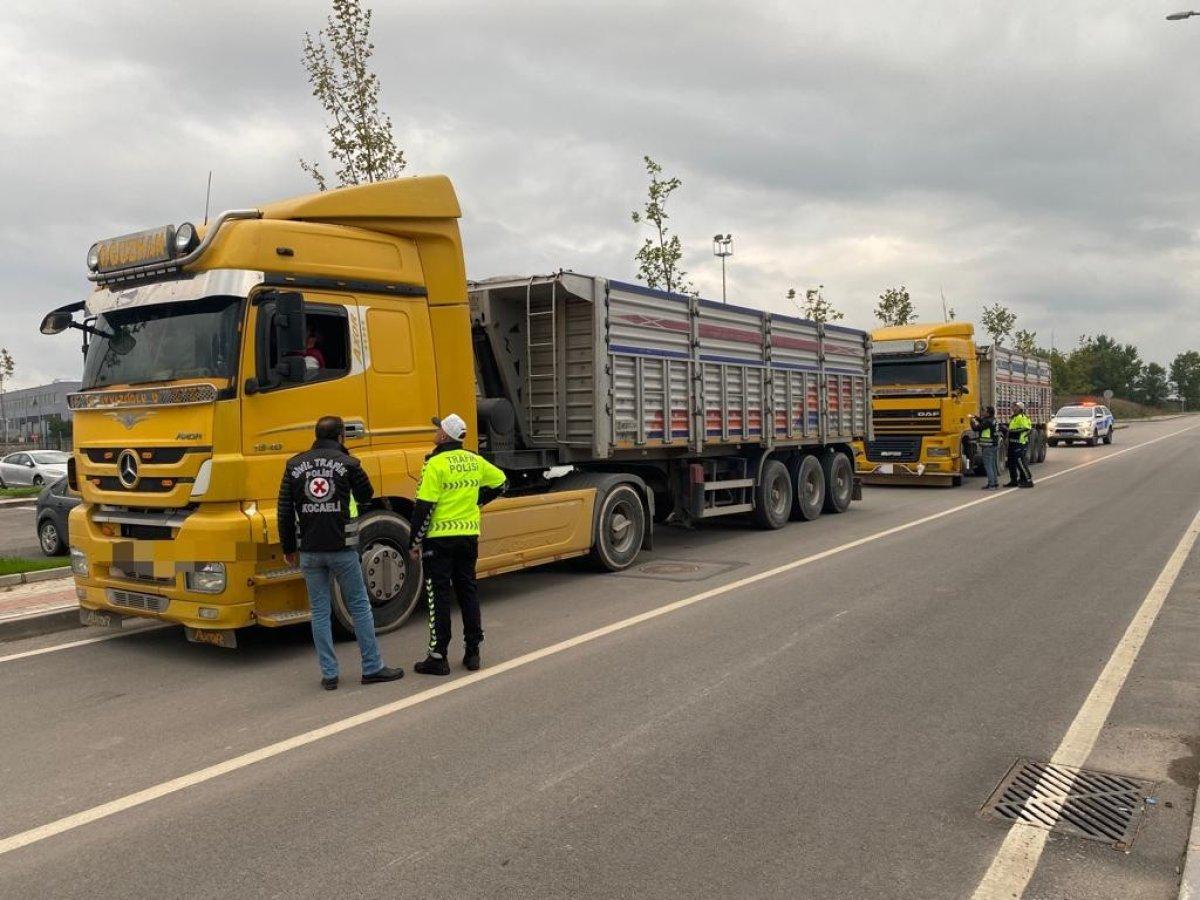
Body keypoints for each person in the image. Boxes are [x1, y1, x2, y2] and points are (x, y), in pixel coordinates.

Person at [278, 415, 404, 690]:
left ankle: (329, 674)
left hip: (310, 550)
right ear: (341, 437)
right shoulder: (348, 463)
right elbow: (366, 495)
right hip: (342, 549)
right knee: (359, 607)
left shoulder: (294, 465)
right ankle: (372, 667)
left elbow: (285, 510)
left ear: (316, 435)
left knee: (319, 611)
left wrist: (288, 547)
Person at [408, 412, 507, 676]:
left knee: (438, 595)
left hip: (439, 540)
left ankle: (438, 656)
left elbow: (424, 507)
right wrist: (478, 500)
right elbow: (502, 483)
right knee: (468, 591)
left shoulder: (435, 464)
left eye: (437, 428)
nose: (435, 431)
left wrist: (414, 541)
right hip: (468, 536)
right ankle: (473, 652)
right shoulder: (475, 460)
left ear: (444, 435)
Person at [1004, 401, 1035, 489]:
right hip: (1012, 443)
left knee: (1020, 462)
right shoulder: (1014, 417)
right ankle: (1013, 480)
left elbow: (1026, 428)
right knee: (1011, 463)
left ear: (1020, 408)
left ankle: (1028, 480)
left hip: (1019, 443)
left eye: (1015, 407)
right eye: (1013, 406)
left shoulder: (1022, 417)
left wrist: (1011, 431)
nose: (1013, 408)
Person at [971, 405, 1001, 490]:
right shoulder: (993, 420)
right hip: (994, 445)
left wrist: (972, 422)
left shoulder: (988, 422)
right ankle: (995, 483)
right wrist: (977, 418)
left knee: (988, 466)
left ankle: (991, 485)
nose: (983, 412)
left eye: (985, 411)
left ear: (988, 413)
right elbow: (984, 422)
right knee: (993, 465)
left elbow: (976, 428)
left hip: (988, 445)